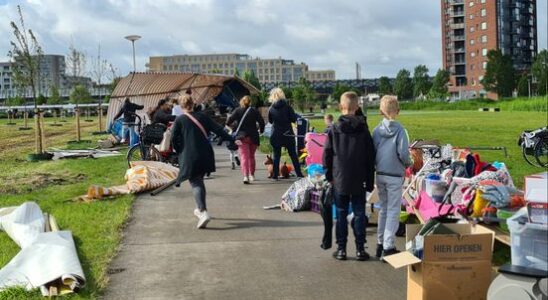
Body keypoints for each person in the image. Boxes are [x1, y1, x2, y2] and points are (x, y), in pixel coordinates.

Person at [323, 91, 375, 261]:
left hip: (340, 177)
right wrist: (369, 180)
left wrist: (328, 175)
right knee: (359, 213)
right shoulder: (364, 129)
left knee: (341, 213)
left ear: (340, 107)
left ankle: (341, 249)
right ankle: (360, 248)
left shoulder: (334, 129)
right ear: (357, 107)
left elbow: (327, 154)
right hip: (359, 176)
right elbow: (370, 157)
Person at [171, 94, 237, 229]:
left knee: (195, 183)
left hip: (190, 156)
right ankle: (200, 207)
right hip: (205, 154)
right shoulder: (203, 117)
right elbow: (219, 129)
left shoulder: (180, 120)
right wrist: (231, 139)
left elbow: (173, 139)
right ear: (193, 104)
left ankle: (203, 212)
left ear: (181, 106)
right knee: (199, 181)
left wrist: (180, 151)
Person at [372, 95, 412, 261]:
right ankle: (388, 246)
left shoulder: (376, 130)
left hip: (380, 173)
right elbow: (403, 153)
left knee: (383, 209)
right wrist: (408, 163)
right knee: (393, 211)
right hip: (395, 175)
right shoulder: (400, 130)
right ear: (398, 111)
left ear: (381, 111)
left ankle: (380, 243)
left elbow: (373, 151)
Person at [226, 95, 265, 184]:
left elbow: (228, 122)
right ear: (250, 102)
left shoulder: (237, 110)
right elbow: (262, 122)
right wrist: (261, 131)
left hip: (241, 137)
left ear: (241, 102)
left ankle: (245, 176)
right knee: (251, 156)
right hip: (253, 136)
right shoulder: (254, 111)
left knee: (244, 157)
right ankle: (252, 175)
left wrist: (234, 129)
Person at [267, 88, 304, 179]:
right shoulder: (287, 107)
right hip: (288, 134)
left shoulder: (271, 109)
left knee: (276, 156)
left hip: (276, 134)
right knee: (293, 155)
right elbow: (293, 119)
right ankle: (299, 174)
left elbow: (270, 121)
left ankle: (275, 175)